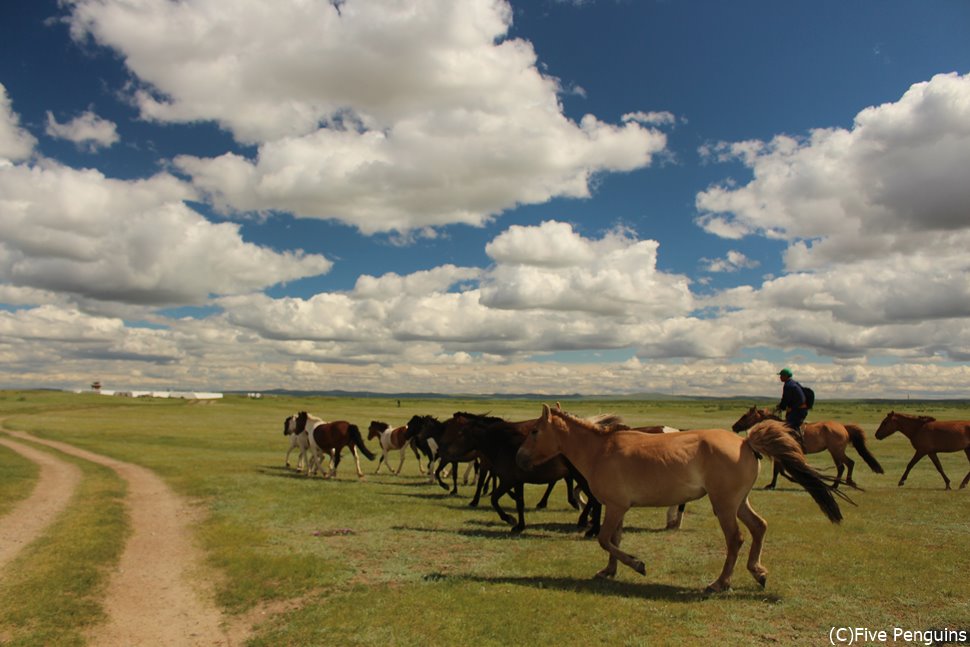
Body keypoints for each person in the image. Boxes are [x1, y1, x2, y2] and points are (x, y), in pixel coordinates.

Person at [774, 367, 807, 444]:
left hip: (798, 411)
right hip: (799, 409)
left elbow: (785, 399)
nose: (780, 377)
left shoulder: (788, 385)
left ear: (786, 376)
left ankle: (796, 442)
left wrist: (781, 407)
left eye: (781, 375)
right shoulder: (793, 383)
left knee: (787, 427)